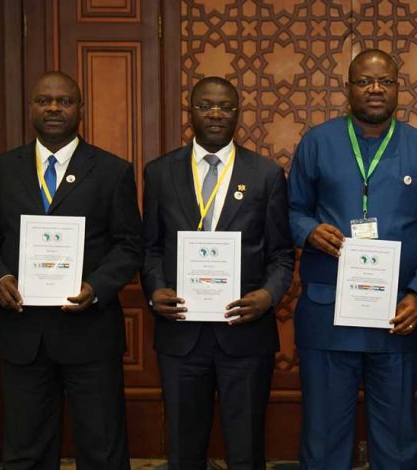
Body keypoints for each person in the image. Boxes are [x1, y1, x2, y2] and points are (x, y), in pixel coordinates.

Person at [0, 71, 142, 470]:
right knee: (26, 451)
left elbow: (130, 244)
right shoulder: (1, 169)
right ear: (31, 107)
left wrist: (96, 287)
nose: (53, 108)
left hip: (91, 334)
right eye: (44, 100)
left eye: (64, 101)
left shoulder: (112, 170)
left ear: (80, 109)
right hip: (23, 333)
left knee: (102, 450)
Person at [288, 49, 417, 469]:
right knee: (323, 438)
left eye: (385, 81)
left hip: (397, 315)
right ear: (348, 89)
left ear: (399, 88)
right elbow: (291, 211)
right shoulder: (317, 143)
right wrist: (307, 231)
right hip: (328, 314)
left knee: (396, 438)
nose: (375, 89)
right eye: (364, 81)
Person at [141, 76, 294, 470]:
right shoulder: (159, 173)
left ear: (237, 114)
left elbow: (281, 255)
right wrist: (155, 288)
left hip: (244, 333)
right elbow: (151, 247)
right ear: (189, 111)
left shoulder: (265, 175)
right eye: (205, 105)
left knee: (245, 450)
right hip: (181, 333)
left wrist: (267, 296)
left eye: (225, 107)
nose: (215, 113)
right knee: (183, 448)